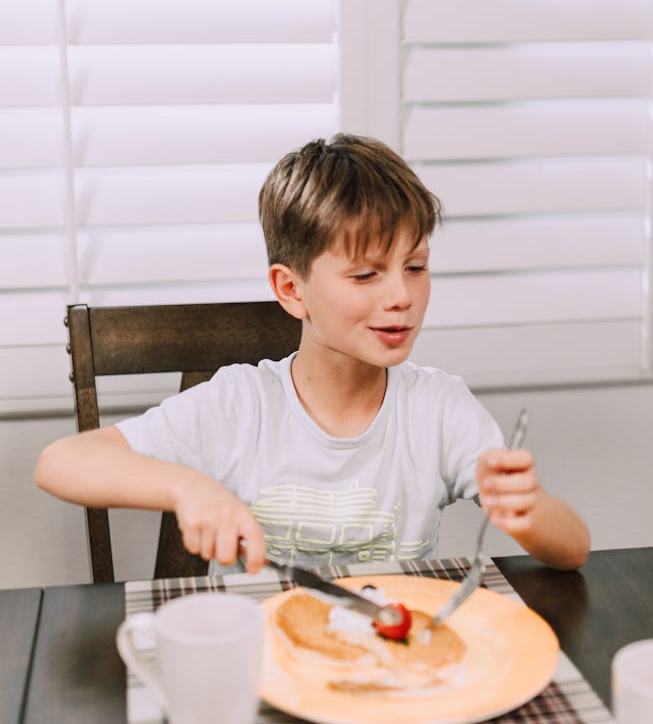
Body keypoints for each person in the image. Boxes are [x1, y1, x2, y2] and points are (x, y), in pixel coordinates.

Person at [35, 134, 590, 574]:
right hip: (267, 658)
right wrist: (188, 488)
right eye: (366, 274)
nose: (401, 295)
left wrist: (526, 510)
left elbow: (573, 551)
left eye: (416, 267)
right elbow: (59, 462)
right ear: (292, 289)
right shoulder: (242, 405)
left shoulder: (439, 409)